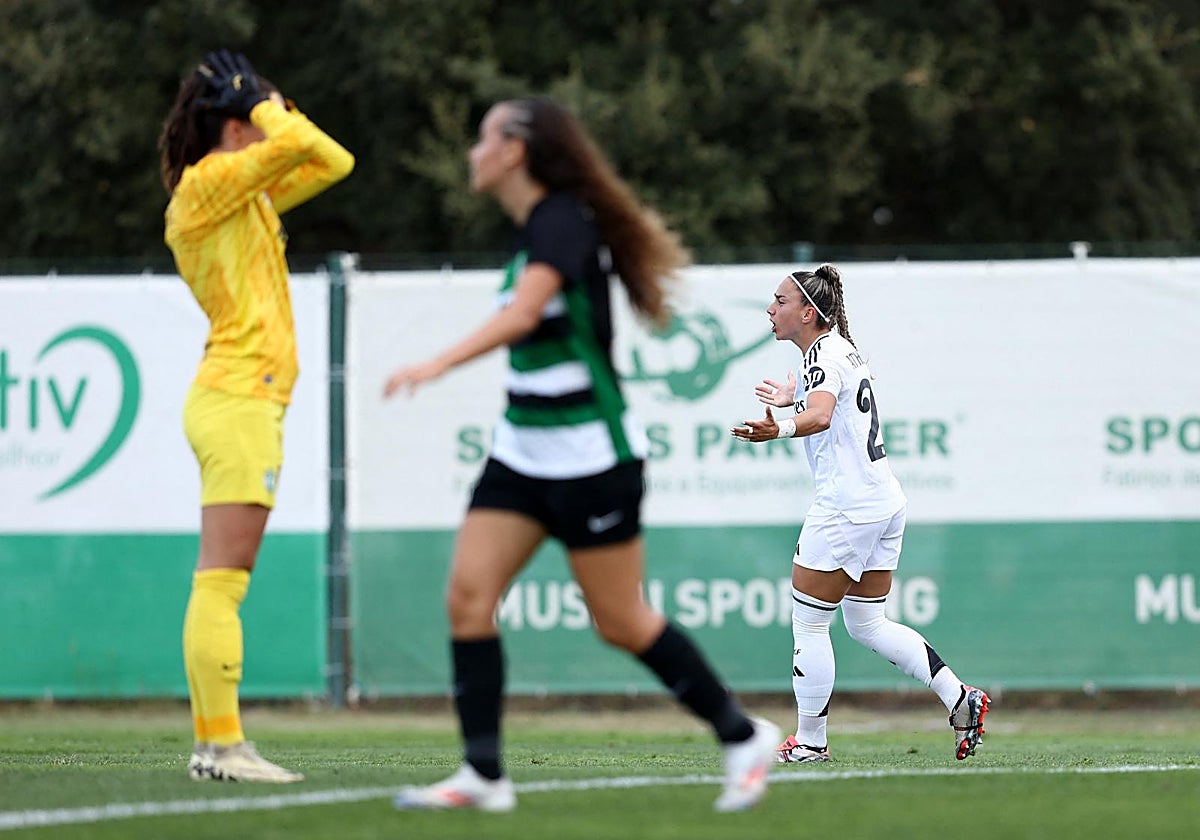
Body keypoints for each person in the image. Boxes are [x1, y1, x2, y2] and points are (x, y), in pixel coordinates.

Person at [382, 96, 779, 813]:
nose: (472, 152)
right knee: (468, 600)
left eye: (483, 138)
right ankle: (483, 775)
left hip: (592, 459)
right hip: (520, 455)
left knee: (620, 620)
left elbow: (524, 314)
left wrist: (435, 364)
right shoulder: (535, 230)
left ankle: (742, 735)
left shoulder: (561, 221)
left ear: (515, 151)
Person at [159, 49, 354, 783]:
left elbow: (333, 160)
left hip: (247, 398)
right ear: (238, 126)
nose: (279, 120)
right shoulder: (208, 182)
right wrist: (266, 105)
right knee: (222, 581)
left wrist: (266, 104)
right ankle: (221, 748)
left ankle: (217, 746)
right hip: (237, 398)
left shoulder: (243, 193)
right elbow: (304, 142)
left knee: (222, 579)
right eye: (263, 114)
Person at [731, 265, 989, 764]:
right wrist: (794, 397)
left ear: (809, 312)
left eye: (780, 301)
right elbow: (830, 405)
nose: (771, 309)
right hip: (882, 500)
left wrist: (779, 426)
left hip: (847, 507)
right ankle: (960, 697)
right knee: (867, 623)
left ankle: (810, 742)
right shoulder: (837, 350)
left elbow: (822, 415)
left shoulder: (825, 353)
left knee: (809, 624)